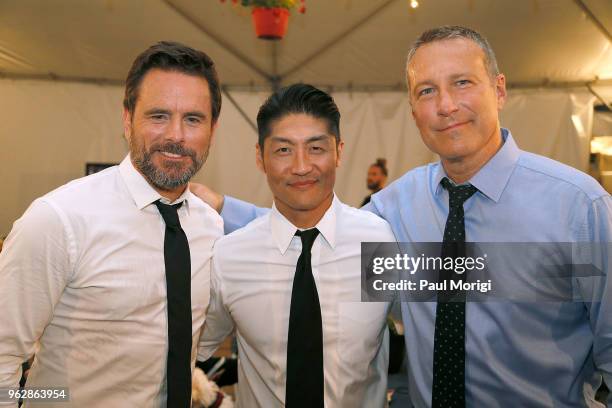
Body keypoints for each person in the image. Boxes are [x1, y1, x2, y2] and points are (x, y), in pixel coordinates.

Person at [194, 26, 612, 407]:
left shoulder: (577, 208)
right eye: (427, 91)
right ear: (413, 110)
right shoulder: (399, 207)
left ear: (499, 90)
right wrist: (224, 208)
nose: (446, 105)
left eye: (462, 83)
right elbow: (316, 231)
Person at [0, 41, 224, 407]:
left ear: (212, 129)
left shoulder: (210, 229)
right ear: (126, 119)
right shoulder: (59, 219)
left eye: (193, 119)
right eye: (158, 115)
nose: (176, 136)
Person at [197, 84, 396, 407]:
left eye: (316, 148)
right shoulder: (230, 255)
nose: (301, 166)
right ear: (260, 157)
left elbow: (429, 329)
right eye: (283, 150)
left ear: (339, 152)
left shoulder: (377, 243)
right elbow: (194, 346)